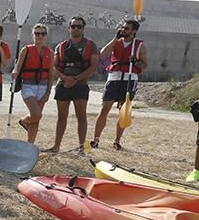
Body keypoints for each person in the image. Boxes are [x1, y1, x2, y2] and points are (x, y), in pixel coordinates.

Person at [92, 19, 148, 150]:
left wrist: (135, 62)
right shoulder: (115, 42)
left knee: (123, 111)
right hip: (114, 77)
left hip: (130, 78)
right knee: (105, 108)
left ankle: (117, 141)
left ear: (133, 31)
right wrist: (115, 39)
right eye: (122, 27)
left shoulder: (139, 46)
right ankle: (96, 139)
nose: (123, 30)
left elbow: (144, 65)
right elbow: (103, 53)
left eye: (127, 28)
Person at [49, 16, 97, 153]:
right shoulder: (61, 46)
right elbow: (54, 67)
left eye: (79, 26)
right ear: (68, 28)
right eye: (73, 26)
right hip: (63, 84)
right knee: (61, 117)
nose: (76, 28)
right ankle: (56, 146)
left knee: (81, 117)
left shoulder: (90, 45)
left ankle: (82, 147)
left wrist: (76, 79)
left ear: (83, 28)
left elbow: (93, 67)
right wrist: (65, 78)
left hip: (80, 85)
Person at [14, 24, 53, 144]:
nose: (39, 36)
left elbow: (51, 73)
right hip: (28, 86)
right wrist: (14, 73)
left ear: (46, 36)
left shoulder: (50, 52)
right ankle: (24, 120)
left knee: (36, 120)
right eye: (37, 33)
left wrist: (48, 92)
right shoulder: (26, 50)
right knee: (36, 114)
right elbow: (18, 67)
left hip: (43, 86)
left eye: (42, 34)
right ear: (33, 35)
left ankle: (29, 145)